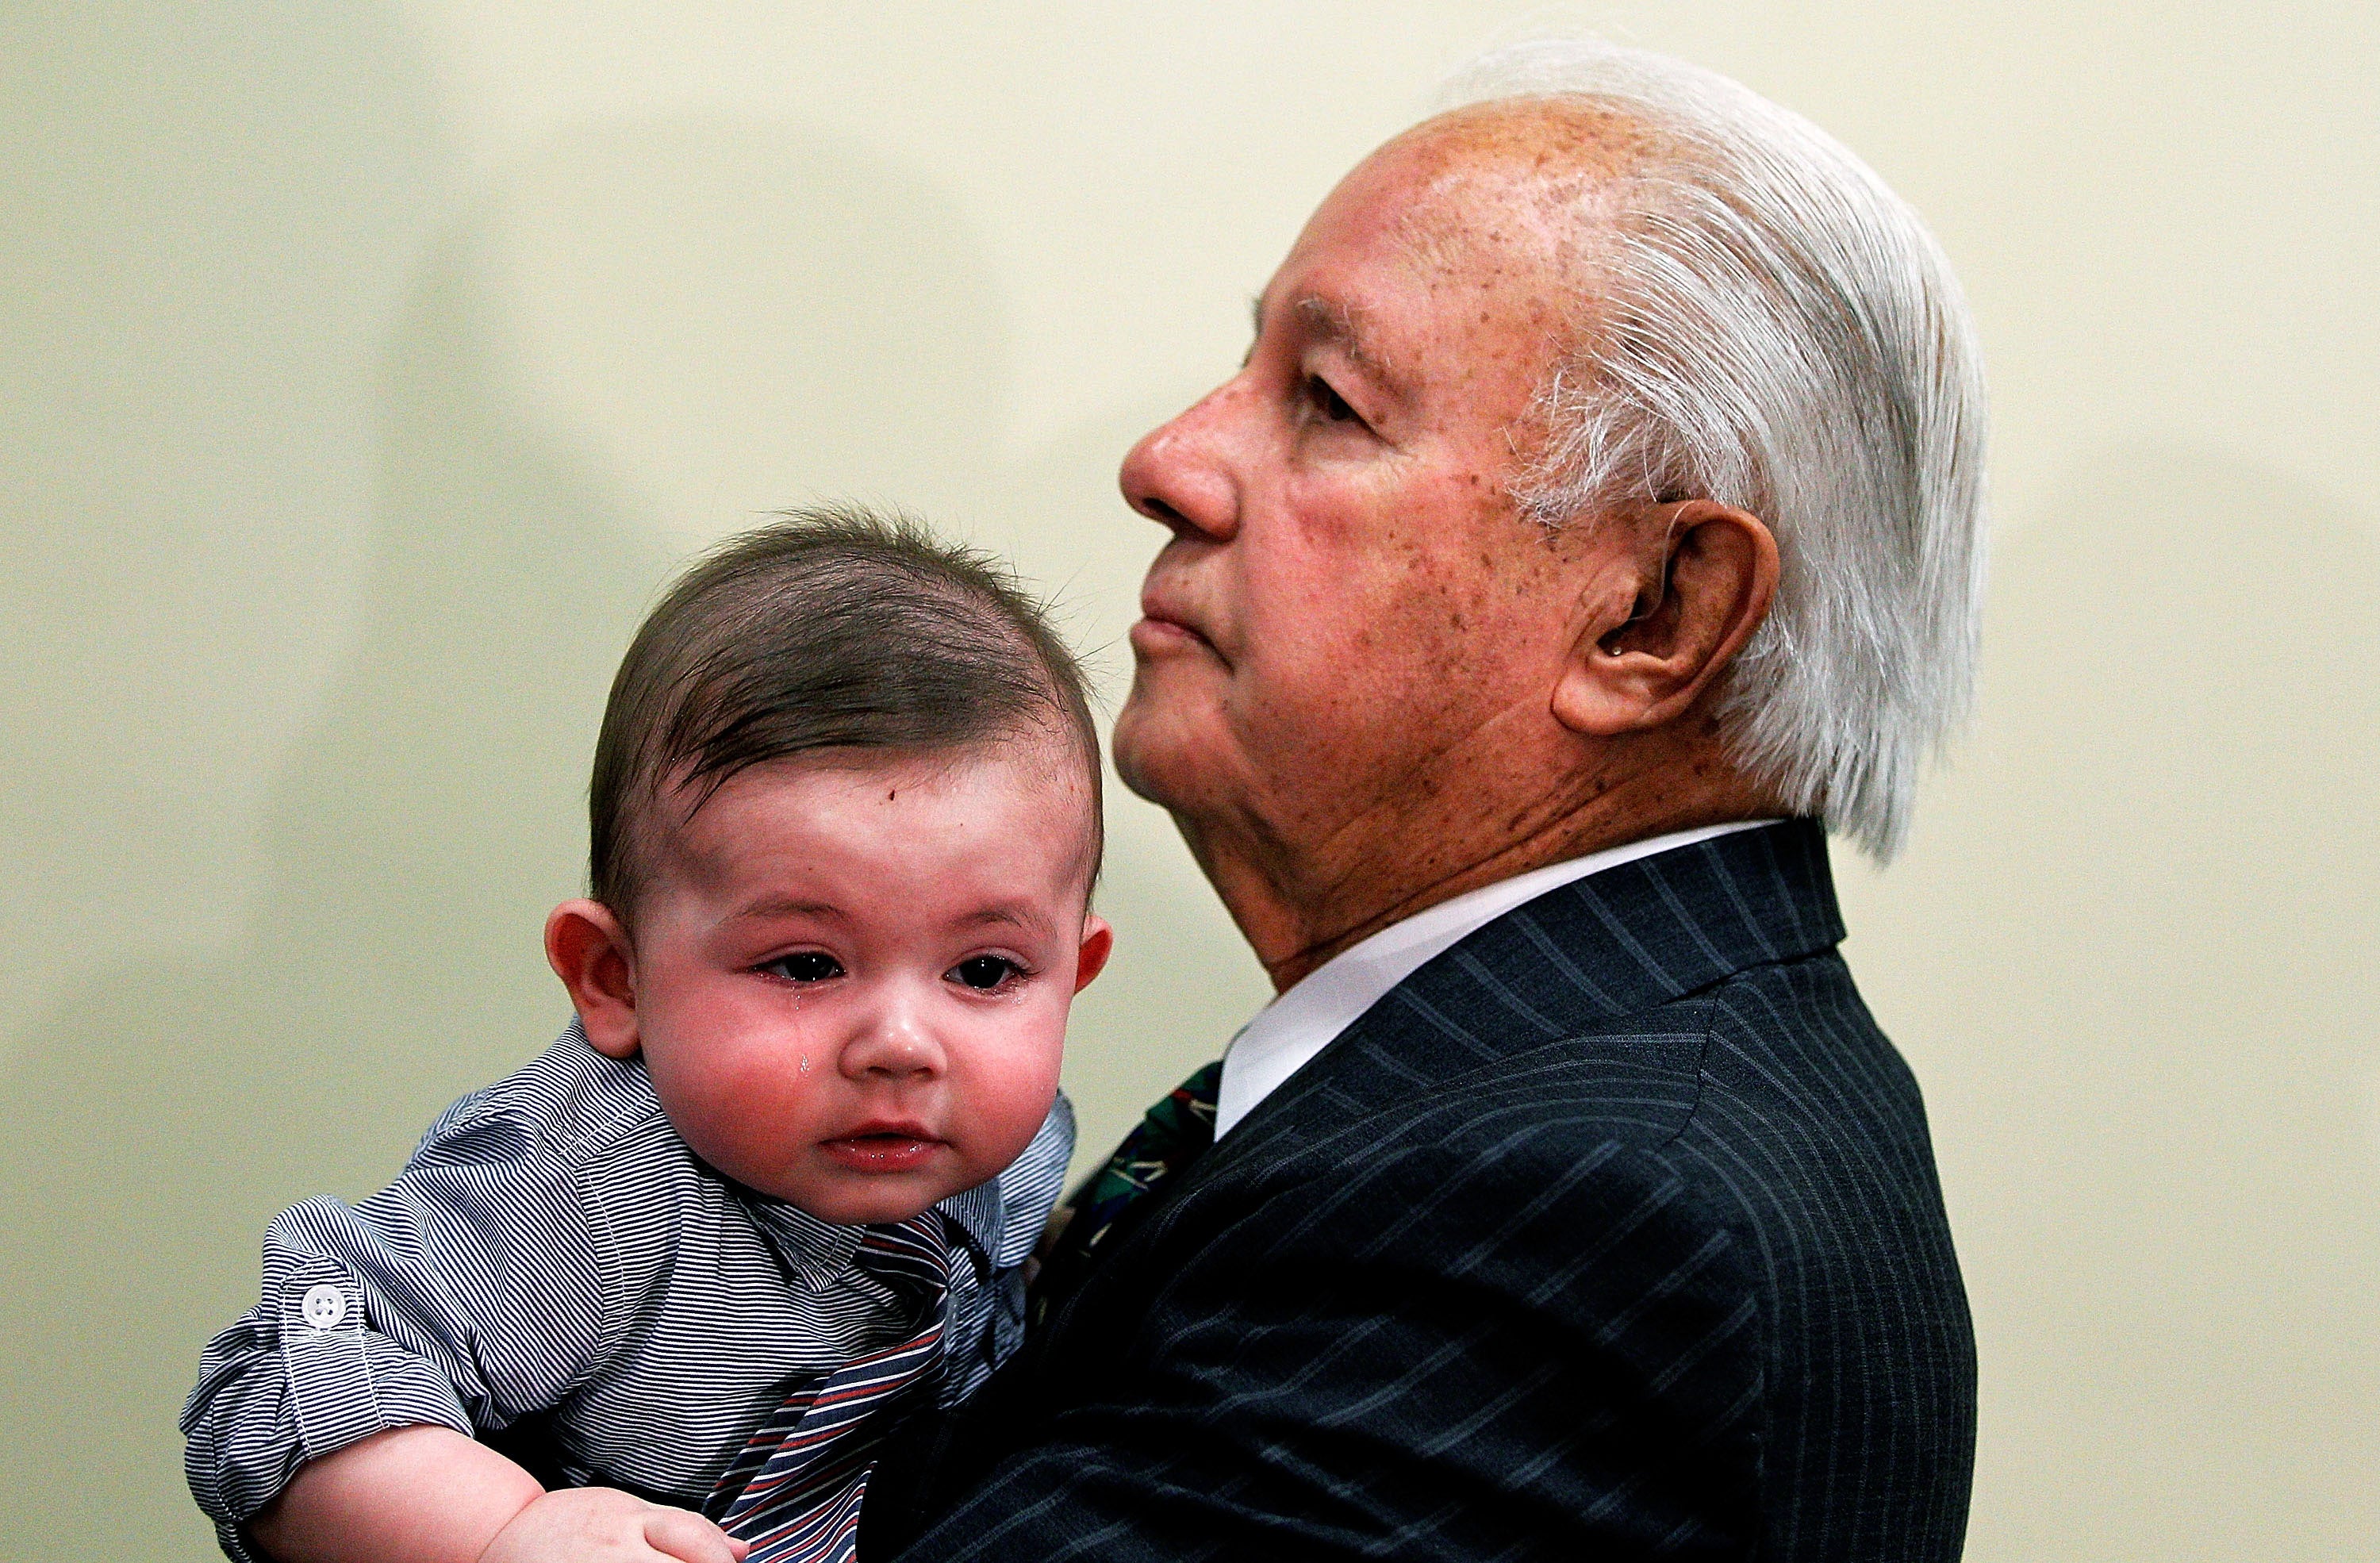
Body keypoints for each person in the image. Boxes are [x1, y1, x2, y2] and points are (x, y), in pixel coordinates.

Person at [860, 37, 1984, 1562]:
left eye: (1326, 399)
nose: (1167, 461)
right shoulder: (1534, 1095)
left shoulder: (1578, 1225)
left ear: (1653, 614)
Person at [180, 507, 1114, 1563]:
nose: (904, 1043)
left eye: (983, 971)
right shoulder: (589, 1191)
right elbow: (275, 1383)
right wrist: (500, 1532)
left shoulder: (1012, 1144)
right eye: (806, 964)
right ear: (613, 979)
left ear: (1072, 976)